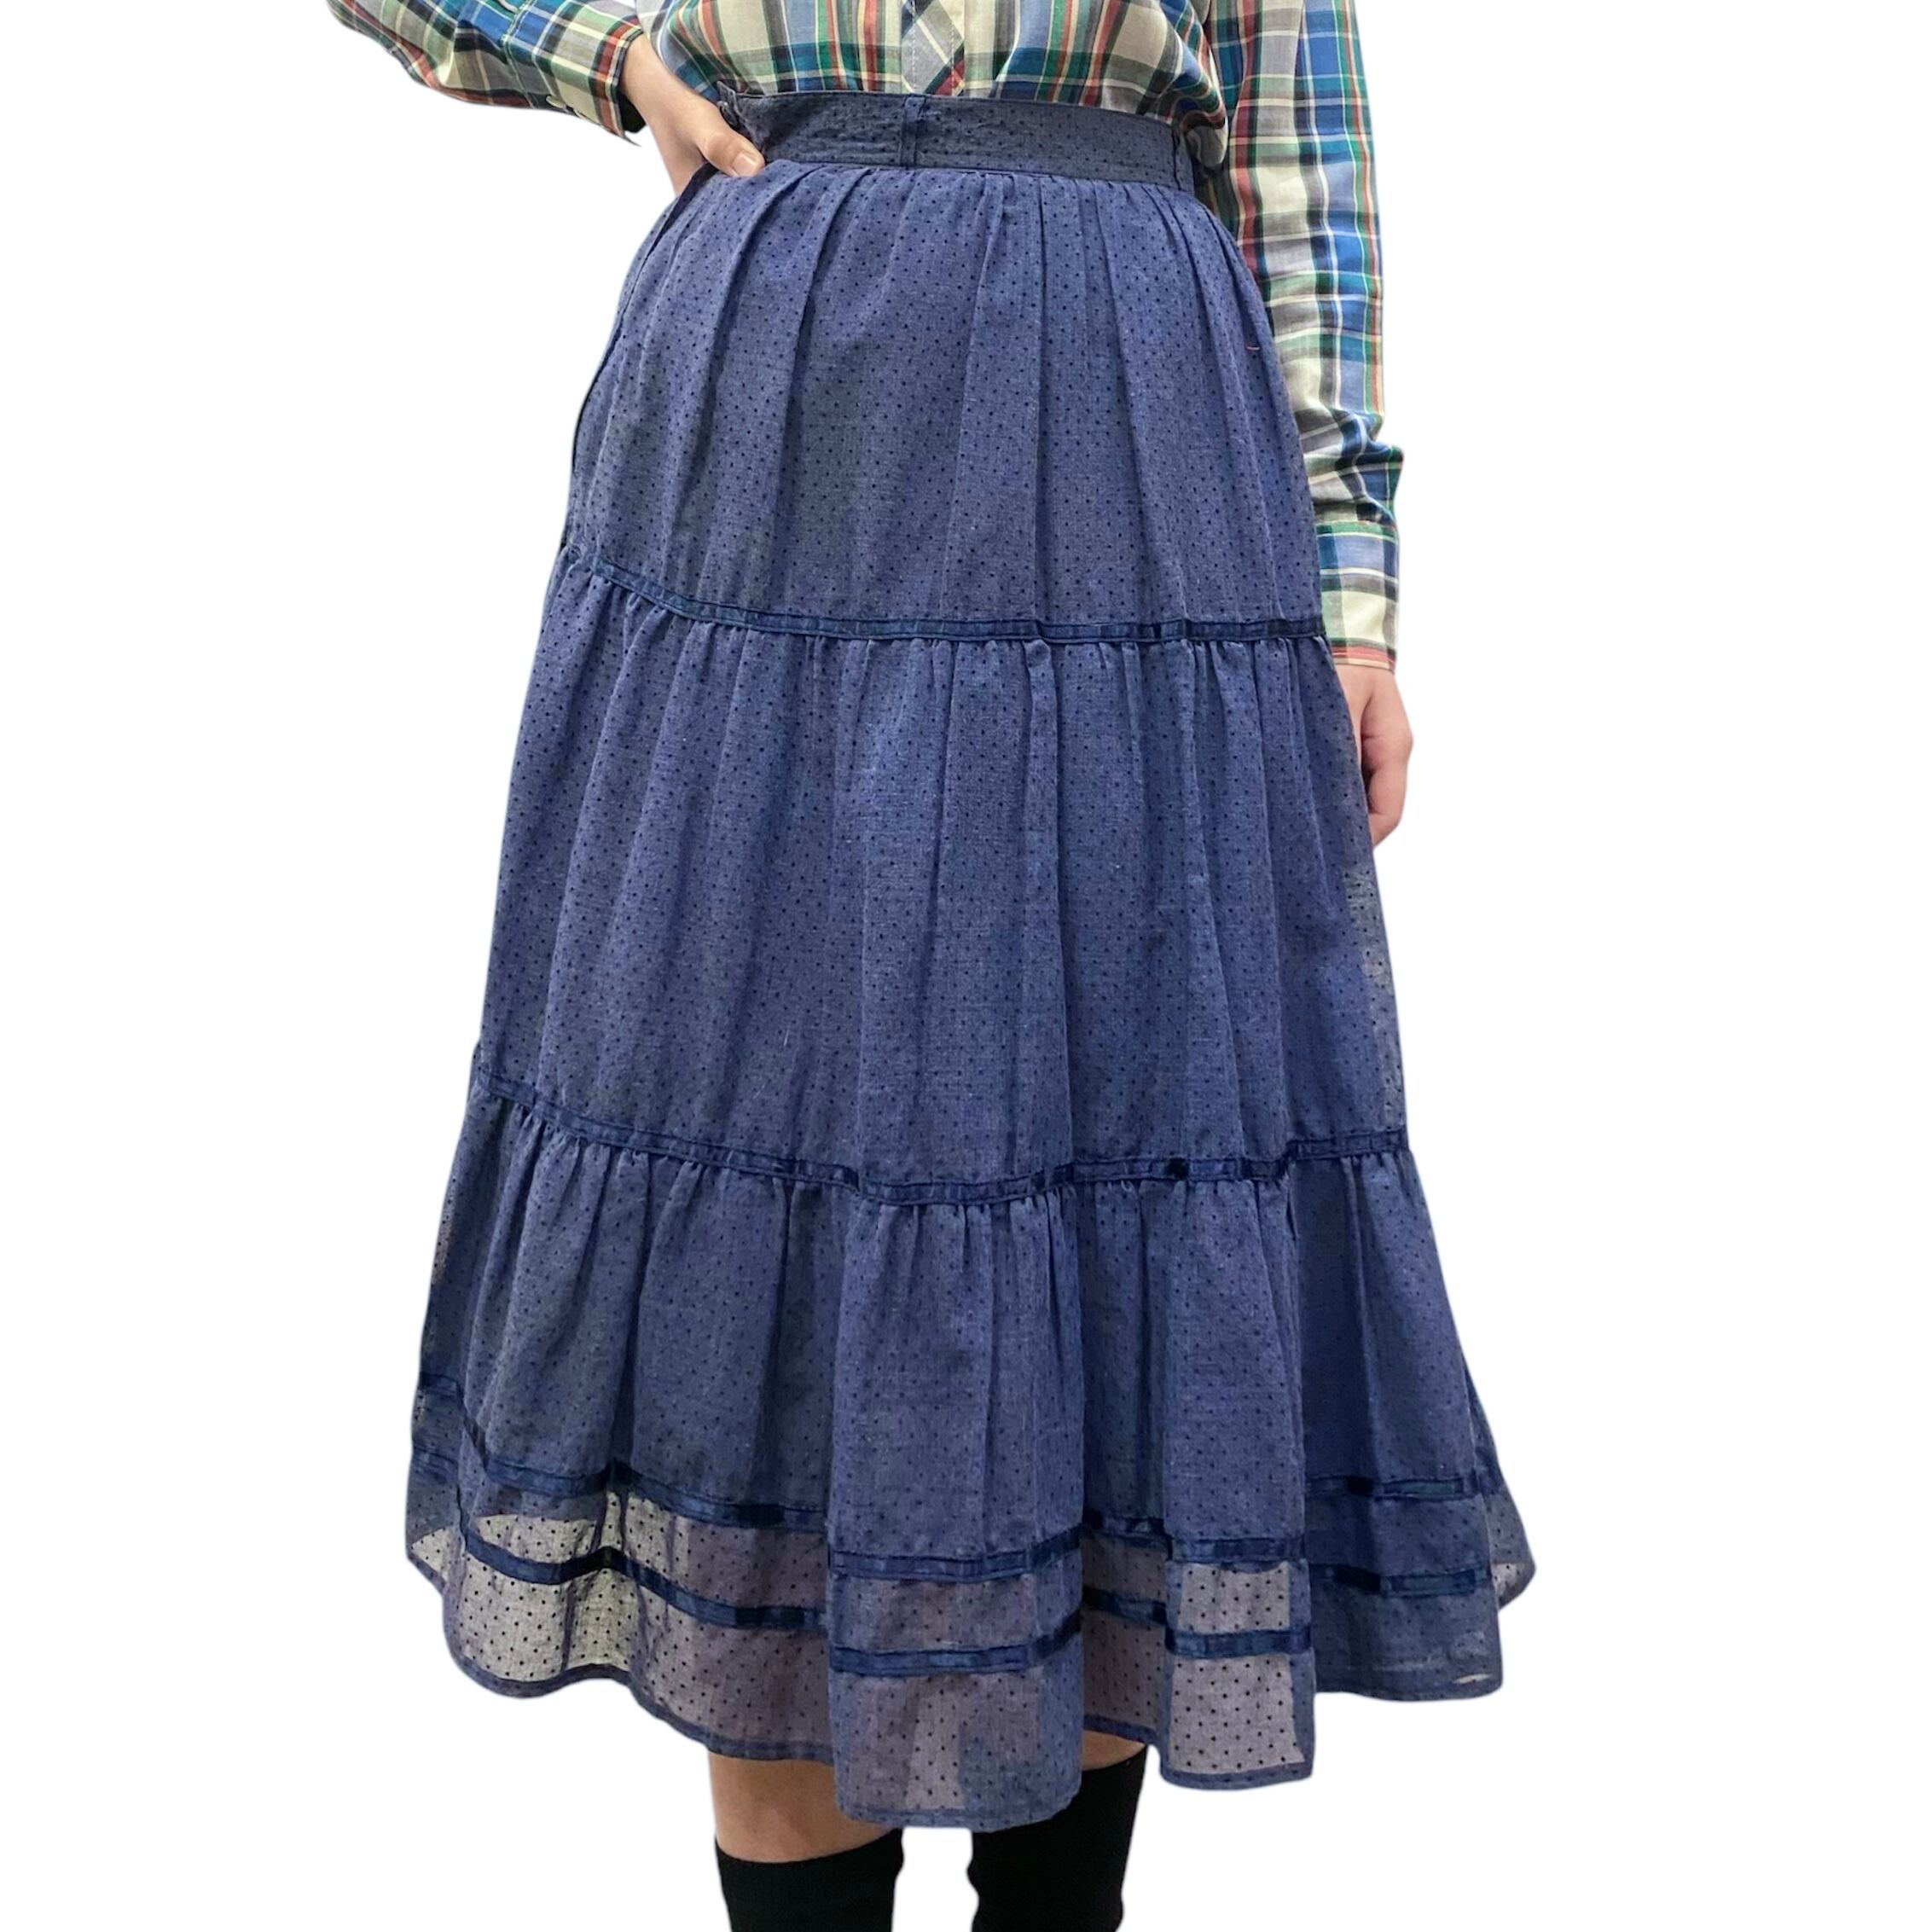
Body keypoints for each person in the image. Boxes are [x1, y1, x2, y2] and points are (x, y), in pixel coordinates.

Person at [328, 4, 1533, 1925]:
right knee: (768, 1176)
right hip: (775, 456)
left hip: (1136, 460)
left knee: (1110, 1146)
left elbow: (1300, 173)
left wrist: (1353, 588)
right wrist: (605, 54)